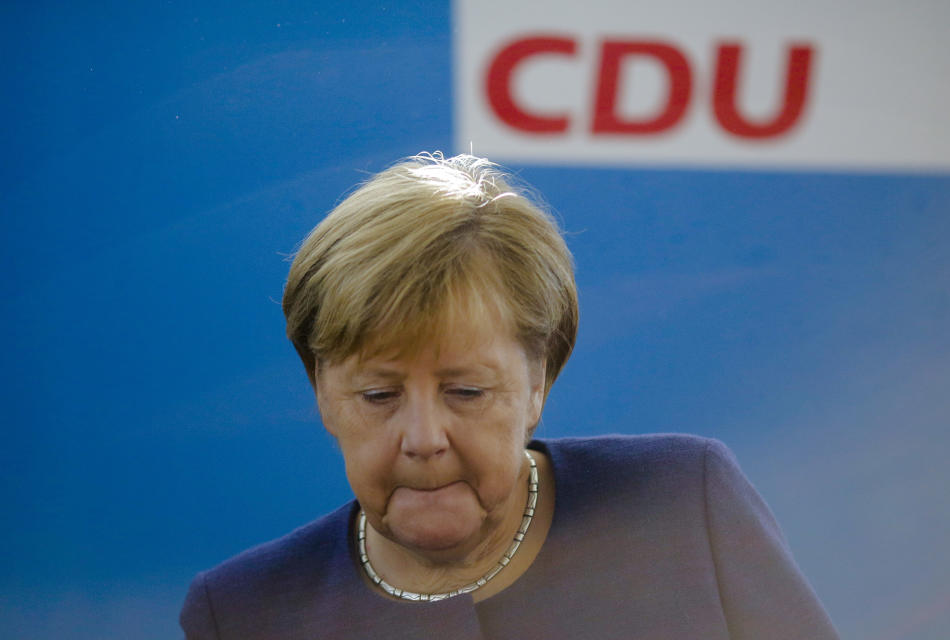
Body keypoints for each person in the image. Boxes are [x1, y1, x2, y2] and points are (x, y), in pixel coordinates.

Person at [180, 153, 839, 639]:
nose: (424, 437)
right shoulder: (241, 614)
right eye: (378, 394)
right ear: (322, 393)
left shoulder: (682, 505)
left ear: (538, 382)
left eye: (465, 390)